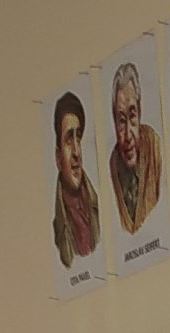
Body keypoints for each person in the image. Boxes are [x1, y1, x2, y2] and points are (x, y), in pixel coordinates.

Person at [109, 60, 163, 234]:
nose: (127, 135)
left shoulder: (155, 146)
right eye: (121, 121)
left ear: (140, 112)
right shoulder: (113, 165)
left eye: (132, 116)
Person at [51, 91, 101, 268]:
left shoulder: (97, 204)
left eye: (78, 138)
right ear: (58, 158)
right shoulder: (57, 227)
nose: (76, 152)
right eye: (68, 140)